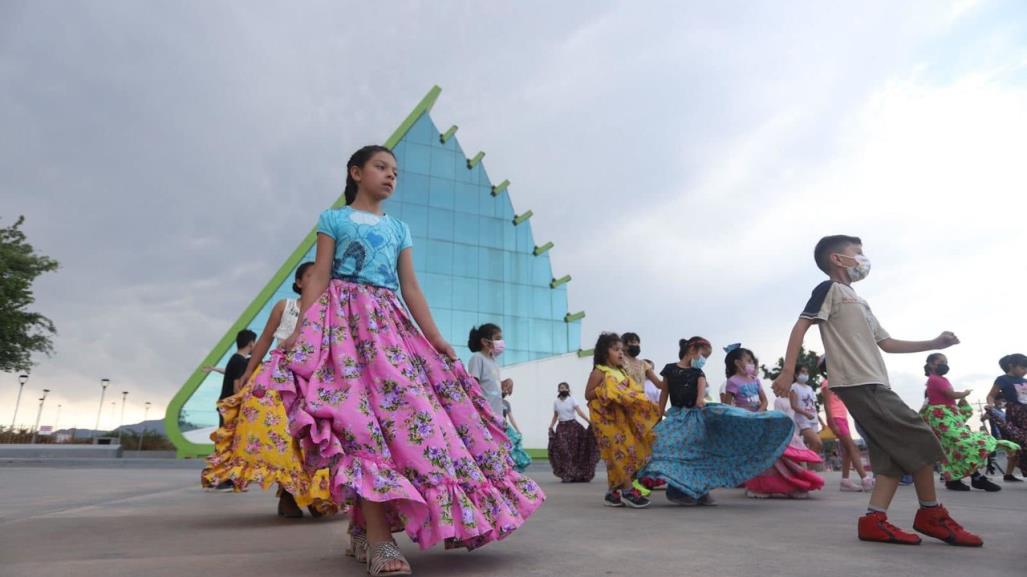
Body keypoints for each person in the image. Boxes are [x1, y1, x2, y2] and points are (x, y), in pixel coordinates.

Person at [255, 145, 543, 575]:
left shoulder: (400, 228)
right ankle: (378, 541)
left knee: (410, 421)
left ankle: (361, 527)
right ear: (355, 172)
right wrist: (302, 333)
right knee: (359, 429)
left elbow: (410, 287)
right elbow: (320, 275)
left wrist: (437, 338)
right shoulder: (332, 219)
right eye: (381, 167)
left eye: (395, 171)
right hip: (342, 330)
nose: (391, 176)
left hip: (389, 329)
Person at [772, 235, 982, 546]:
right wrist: (788, 371)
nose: (862, 258)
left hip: (876, 382)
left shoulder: (860, 301)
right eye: (857, 253)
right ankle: (931, 513)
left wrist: (934, 343)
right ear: (837, 259)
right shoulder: (829, 289)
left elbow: (887, 343)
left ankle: (874, 520)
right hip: (859, 383)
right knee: (920, 437)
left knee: (892, 459)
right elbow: (801, 325)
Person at [202, 263, 336, 518]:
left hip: (314, 380)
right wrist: (248, 372)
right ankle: (287, 496)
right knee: (284, 439)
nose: (315, 281)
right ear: (298, 282)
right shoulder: (285, 307)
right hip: (281, 379)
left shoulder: (328, 310)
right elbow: (264, 339)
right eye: (309, 276)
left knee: (315, 439)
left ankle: (314, 497)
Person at [639, 337, 793, 506]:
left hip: (689, 420)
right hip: (681, 419)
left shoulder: (697, 373)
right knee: (682, 453)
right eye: (703, 355)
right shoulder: (671, 370)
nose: (703, 360)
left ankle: (695, 490)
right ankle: (682, 489)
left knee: (692, 455)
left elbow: (698, 401)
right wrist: (656, 420)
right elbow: (663, 399)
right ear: (692, 349)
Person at [585, 332, 660, 508]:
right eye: (615, 349)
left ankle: (612, 493)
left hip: (623, 421)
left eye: (621, 349)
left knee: (628, 451)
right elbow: (588, 394)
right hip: (607, 422)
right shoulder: (600, 372)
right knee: (620, 454)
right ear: (605, 352)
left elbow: (630, 392)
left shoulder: (621, 372)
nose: (620, 352)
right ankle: (627, 491)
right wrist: (606, 390)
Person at [921, 353, 1014, 492]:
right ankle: (975, 478)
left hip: (947, 416)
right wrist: (964, 393)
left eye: (946, 362)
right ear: (931, 364)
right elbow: (951, 395)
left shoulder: (940, 380)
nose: (944, 365)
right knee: (963, 443)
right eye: (940, 362)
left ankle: (955, 480)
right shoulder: (935, 379)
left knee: (953, 447)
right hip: (942, 417)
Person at [820, 357, 874, 492]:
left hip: (843, 418)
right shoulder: (826, 384)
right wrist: (831, 423)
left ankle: (845, 480)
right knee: (853, 447)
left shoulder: (838, 383)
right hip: (836, 418)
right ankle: (865, 479)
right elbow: (826, 405)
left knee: (847, 451)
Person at [547, 382, 599, 483]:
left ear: (568, 389)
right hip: (561, 427)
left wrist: (588, 421)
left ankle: (576, 473)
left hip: (573, 427)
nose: (562, 390)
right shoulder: (556, 402)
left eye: (564, 388)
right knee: (563, 450)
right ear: (558, 390)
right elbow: (555, 415)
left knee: (574, 451)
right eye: (560, 388)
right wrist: (551, 426)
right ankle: (568, 473)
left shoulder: (572, 400)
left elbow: (579, 412)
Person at [986, 353, 1027, 479]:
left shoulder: (1025, 381)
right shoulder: (1003, 379)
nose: (1025, 371)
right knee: (1021, 442)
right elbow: (991, 395)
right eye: (1022, 368)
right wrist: (990, 405)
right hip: (1015, 414)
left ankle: (1009, 474)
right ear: (1011, 366)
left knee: (1021, 445)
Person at [467, 324, 506, 419]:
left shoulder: (493, 361)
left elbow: (490, 388)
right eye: (497, 338)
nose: (501, 342)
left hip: (497, 415)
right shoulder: (478, 358)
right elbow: (473, 386)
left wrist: (505, 386)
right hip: (484, 415)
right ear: (485, 342)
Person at [983, 399, 1022, 481]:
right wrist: (987, 416)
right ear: (996, 401)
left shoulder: (1002, 411)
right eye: (1001, 400)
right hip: (999, 435)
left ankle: (1008, 475)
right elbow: (983, 418)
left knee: (1014, 454)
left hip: (1008, 435)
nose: (1003, 402)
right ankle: (1009, 475)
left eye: (1004, 400)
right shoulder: (993, 410)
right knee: (1014, 454)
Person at [789, 365, 823, 456]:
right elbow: (793, 406)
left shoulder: (810, 388)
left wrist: (820, 421)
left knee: (816, 446)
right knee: (817, 442)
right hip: (803, 420)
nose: (805, 374)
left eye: (806, 372)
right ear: (796, 375)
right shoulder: (794, 387)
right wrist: (806, 414)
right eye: (803, 372)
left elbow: (813, 405)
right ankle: (807, 467)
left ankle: (808, 467)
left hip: (813, 419)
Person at [501, 379, 532, 472]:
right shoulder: (492, 400)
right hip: (495, 426)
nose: (506, 391)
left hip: (505, 427)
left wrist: (518, 430)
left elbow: (511, 418)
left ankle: (512, 468)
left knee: (512, 446)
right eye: (505, 388)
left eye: (508, 389)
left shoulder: (506, 404)